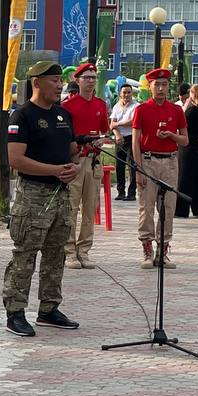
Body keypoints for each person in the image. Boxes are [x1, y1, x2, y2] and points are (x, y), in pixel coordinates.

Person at [2, 60, 82, 338]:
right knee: (25, 254)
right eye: (54, 81)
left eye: (60, 80)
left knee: (55, 254)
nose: (60, 85)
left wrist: (75, 161)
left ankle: (49, 309)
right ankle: (15, 312)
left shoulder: (63, 115)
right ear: (37, 83)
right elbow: (16, 160)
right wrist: (54, 171)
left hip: (61, 196)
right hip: (33, 196)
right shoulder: (22, 116)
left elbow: (69, 148)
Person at [131, 67, 188, 269]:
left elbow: (185, 140)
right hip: (148, 161)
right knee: (146, 207)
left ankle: (162, 250)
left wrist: (171, 135)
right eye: (157, 84)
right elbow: (135, 142)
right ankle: (146, 248)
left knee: (168, 207)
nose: (161, 88)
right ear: (151, 86)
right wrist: (138, 169)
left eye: (165, 84)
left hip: (170, 161)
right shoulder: (141, 110)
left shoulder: (176, 110)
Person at [60, 62, 109, 269]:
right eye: (86, 78)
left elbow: (104, 131)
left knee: (90, 209)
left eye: (93, 78)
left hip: (94, 160)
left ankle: (84, 250)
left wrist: (101, 140)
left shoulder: (100, 105)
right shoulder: (68, 106)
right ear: (77, 80)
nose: (90, 81)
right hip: (75, 160)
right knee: (71, 207)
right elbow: (62, 135)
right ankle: (69, 251)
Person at [175, 84, 198, 219]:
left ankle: (181, 209)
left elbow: (181, 125)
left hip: (189, 148)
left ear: (194, 95)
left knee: (185, 178)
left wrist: (185, 107)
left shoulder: (192, 110)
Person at [109, 83, 138, 200]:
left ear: (132, 94)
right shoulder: (116, 106)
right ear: (120, 94)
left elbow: (133, 121)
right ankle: (120, 192)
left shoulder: (136, 106)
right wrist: (117, 135)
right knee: (119, 165)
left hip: (132, 137)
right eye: (124, 92)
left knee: (132, 166)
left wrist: (119, 123)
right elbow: (112, 124)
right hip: (119, 138)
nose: (126, 95)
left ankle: (131, 193)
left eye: (129, 92)